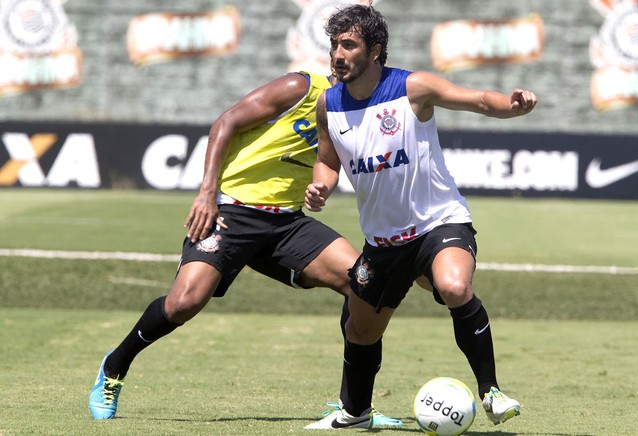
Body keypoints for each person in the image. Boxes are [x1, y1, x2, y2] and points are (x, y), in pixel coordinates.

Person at [87, 68, 407, 428]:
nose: (339, 59)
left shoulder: (360, 115)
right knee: (184, 303)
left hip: (287, 222)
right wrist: (208, 194)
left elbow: (328, 164)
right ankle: (114, 367)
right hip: (232, 211)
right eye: (336, 49)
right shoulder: (300, 87)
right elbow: (226, 122)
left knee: (363, 284)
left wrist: (322, 187)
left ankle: (354, 407)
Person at [304, 4, 537, 430]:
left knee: (453, 285)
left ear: (375, 50)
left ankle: (492, 391)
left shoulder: (413, 88)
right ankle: (355, 413)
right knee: (360, 331)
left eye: (349, 44)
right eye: (335, 44)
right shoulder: (328, 104)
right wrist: (322, 184)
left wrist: (513, 104)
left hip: (439, 222)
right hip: (383, 243)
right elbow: (327, 160)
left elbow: (479, 100)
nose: (338, 53)